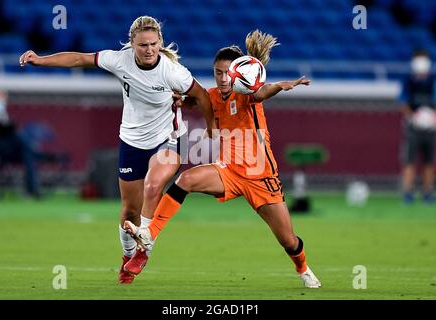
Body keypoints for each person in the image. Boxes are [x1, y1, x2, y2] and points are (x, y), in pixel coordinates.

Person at [19, 16, 215, 284]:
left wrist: (211, 127)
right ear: (132, 43)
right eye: (143, 44)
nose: (149, 50)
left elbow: (203, 96)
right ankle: (127, 255)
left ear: (160, 43)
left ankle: (145, 249)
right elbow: (79, 59)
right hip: (133, 141)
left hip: (170, 138)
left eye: (154, 44)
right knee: (128, 213)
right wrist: (41, 60)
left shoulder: (173, 72)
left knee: (153, 186)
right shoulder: (118, 60)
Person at [124, 30, 322, 288]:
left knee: (288, 241)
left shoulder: (248, 94)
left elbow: (262, 93)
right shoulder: (214, 95)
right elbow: (197, 101)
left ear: (239, 73)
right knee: (186, 179)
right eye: (218, 72)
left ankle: (303, 268)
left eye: (227, 72)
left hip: (261, 176)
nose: (223, 78)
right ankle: (149, 237)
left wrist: (281, 86)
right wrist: (180, 100)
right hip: (228, 171)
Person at [399, 49, 435, 204]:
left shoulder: (433, 80)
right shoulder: (408, 80)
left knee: (429, 161)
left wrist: (433, 118)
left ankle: (428, 193)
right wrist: (412, 117)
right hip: (412, 128)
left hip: (430, 128)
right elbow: (403, 102)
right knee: (409, 161)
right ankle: (408, 193)